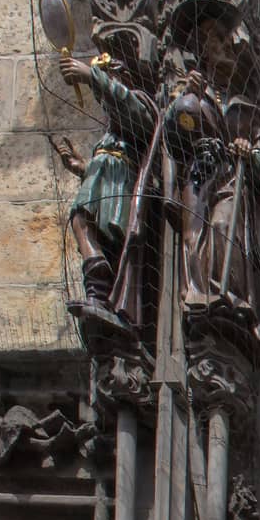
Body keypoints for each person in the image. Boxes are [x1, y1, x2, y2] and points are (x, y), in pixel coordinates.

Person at [168, 12, 260, 347]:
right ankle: (196, 294)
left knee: (224, 227)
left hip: (229, 176)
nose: (227, 47)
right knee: (191, 235)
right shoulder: (186, 91)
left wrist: (247, 151)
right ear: (202, 49)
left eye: (230, 41)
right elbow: (170, 132)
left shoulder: (247, 109)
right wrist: (185, 97)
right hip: (199, 171)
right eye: (217, 40)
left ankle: (228, 295)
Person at [54, 41, 158, 335]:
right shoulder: (110, 129)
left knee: (101, 231)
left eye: (110, 78)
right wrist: (81, 168)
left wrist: (92, 76)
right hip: (104, 177)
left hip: (120, 183)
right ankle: (97, 279)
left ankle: (101, 275)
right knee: (79, 220)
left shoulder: (139, 104)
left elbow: (132, 112)